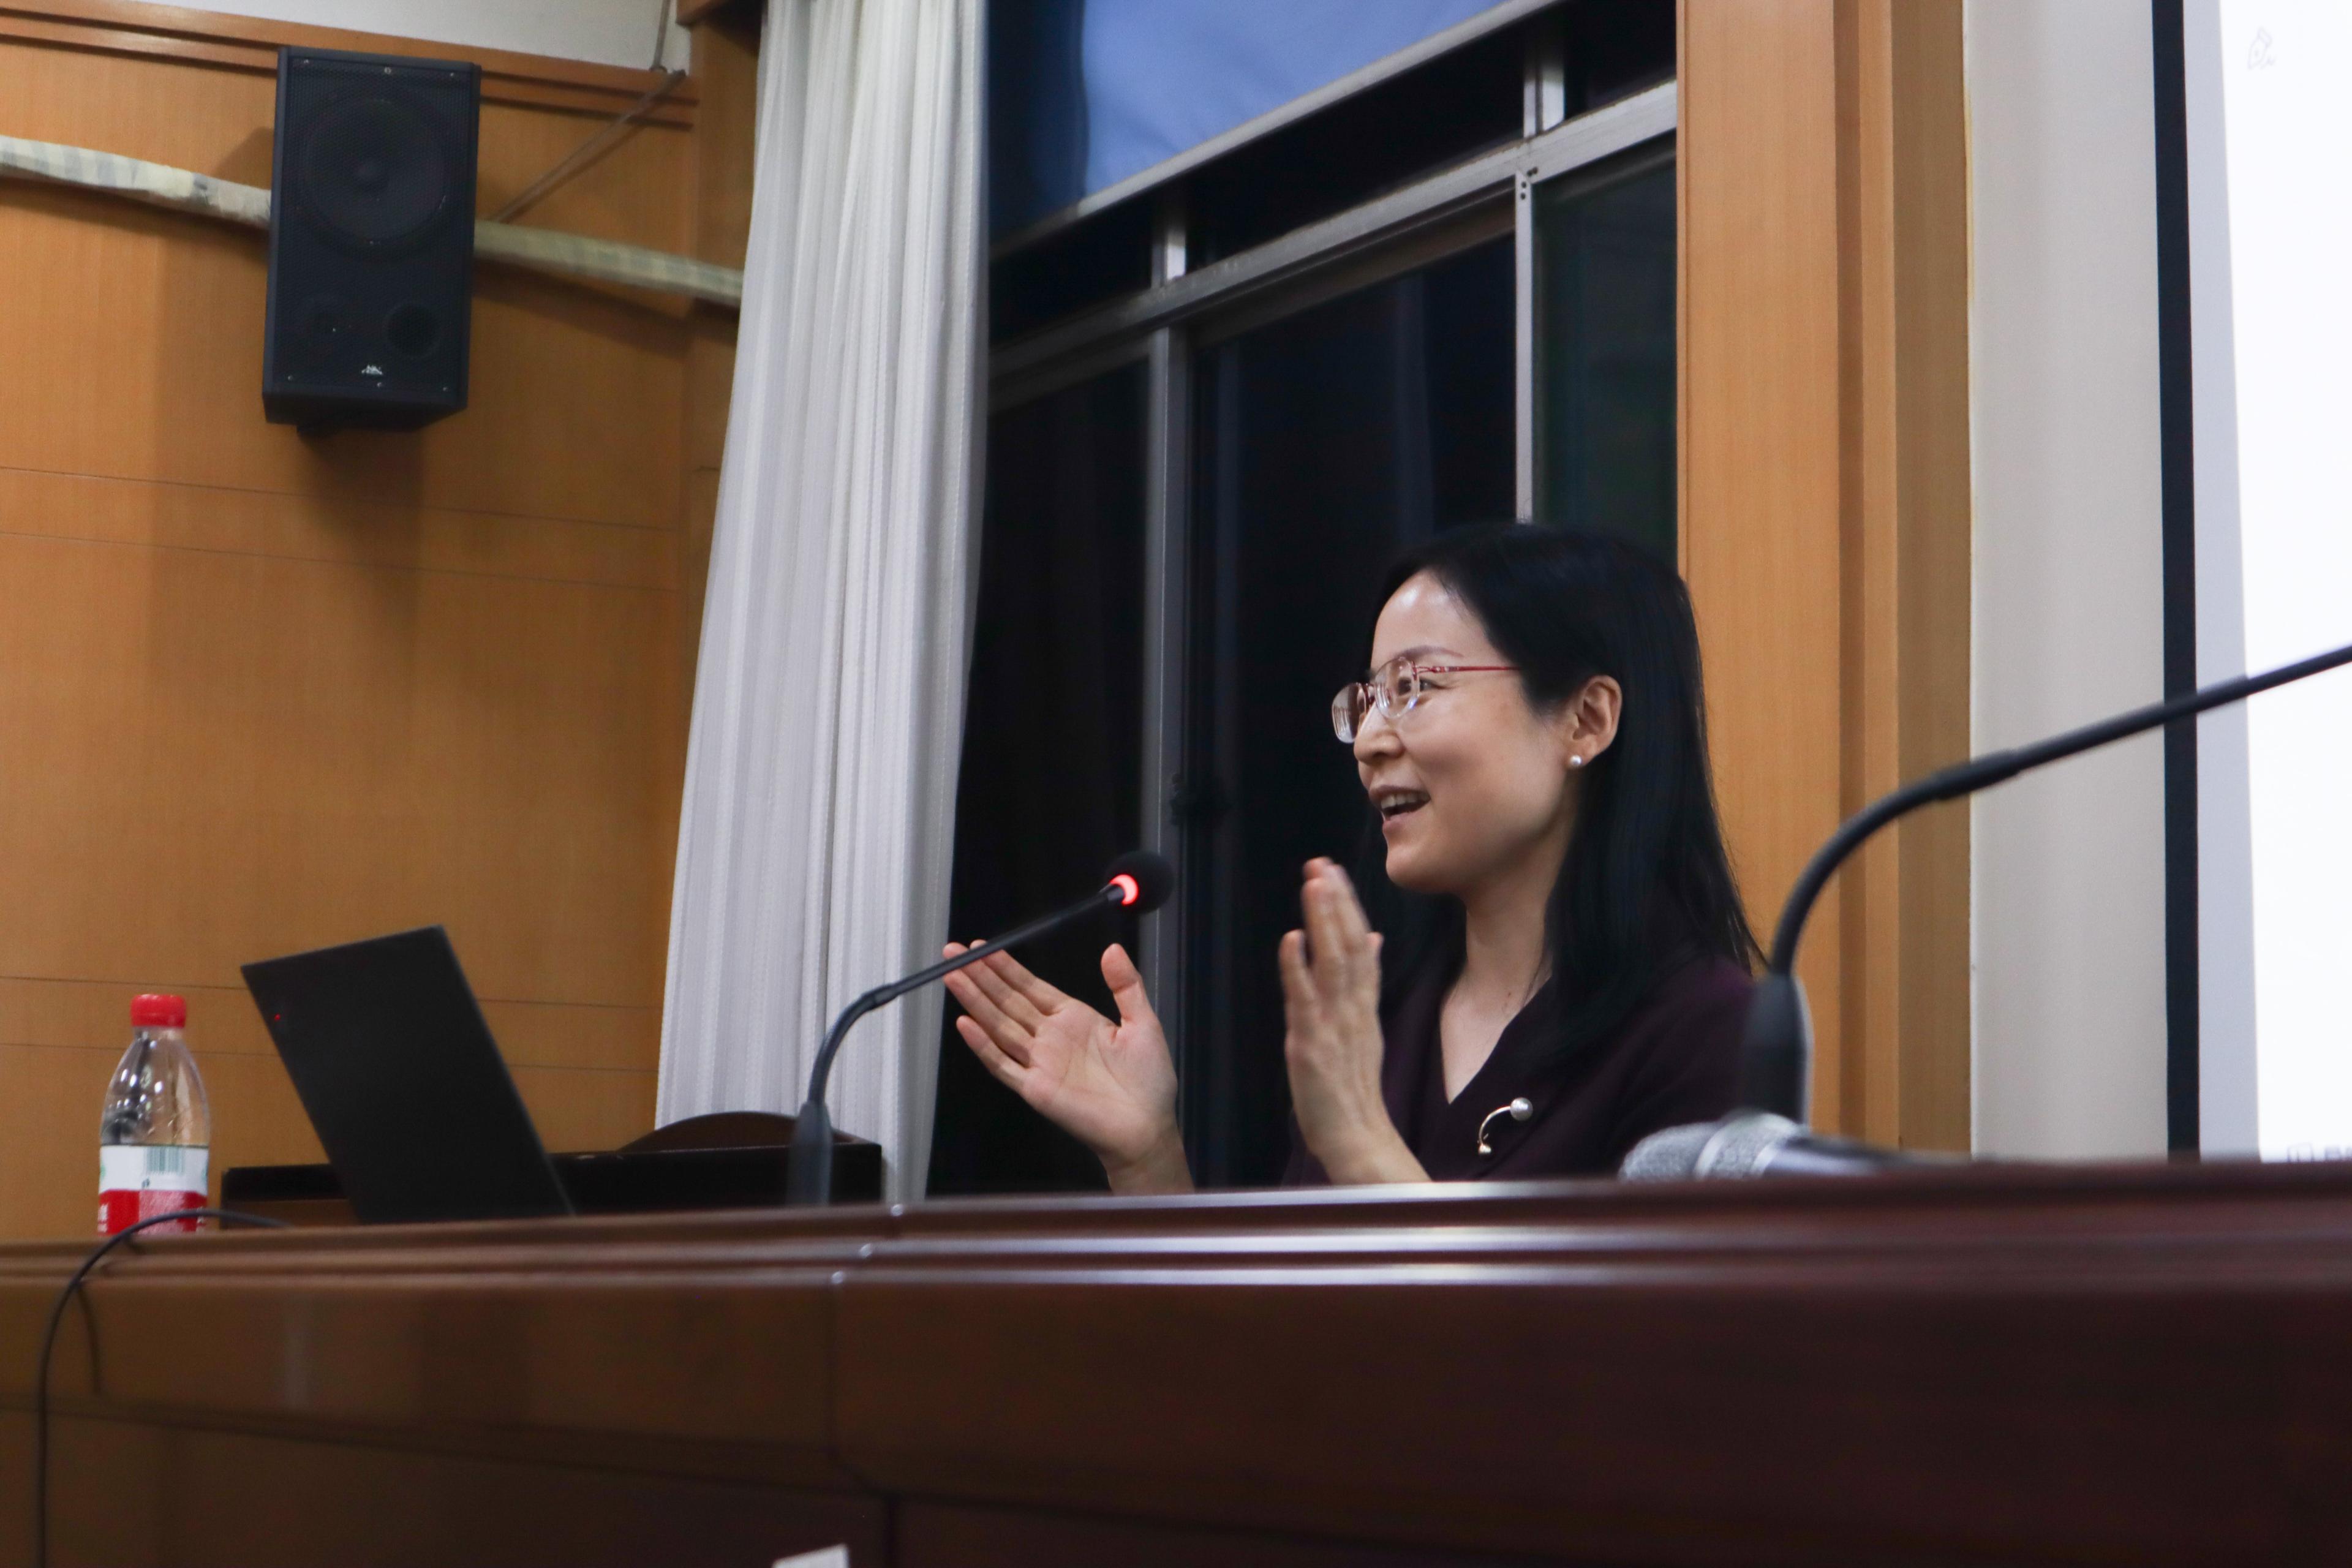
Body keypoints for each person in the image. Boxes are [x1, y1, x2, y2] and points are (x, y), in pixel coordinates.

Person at [941, 524, 1760, 1193]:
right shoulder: (1382, 1019)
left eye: (1416, 687)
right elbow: (1283, 1339)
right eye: (1368, 699)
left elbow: (1618, 1348)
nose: (1370, 740)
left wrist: (1363, 1144)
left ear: (1586, 720)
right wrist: (1148, 1156)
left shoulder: (1703, 1027)